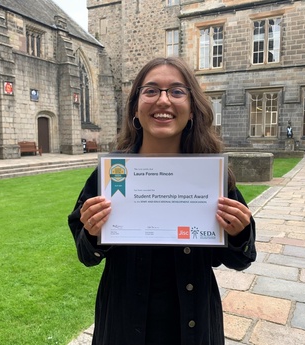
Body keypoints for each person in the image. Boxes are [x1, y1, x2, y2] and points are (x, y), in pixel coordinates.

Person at [68, 56, 256, 345]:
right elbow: (86, 255)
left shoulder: (209, 176)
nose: (163, 101)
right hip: (122, 327)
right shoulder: (112, 174)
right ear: (135, 107)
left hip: (193, 328)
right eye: (151, 90)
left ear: (192, 109)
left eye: (177, 91)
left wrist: (239, 232)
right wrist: (93, 234)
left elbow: (240, 258)